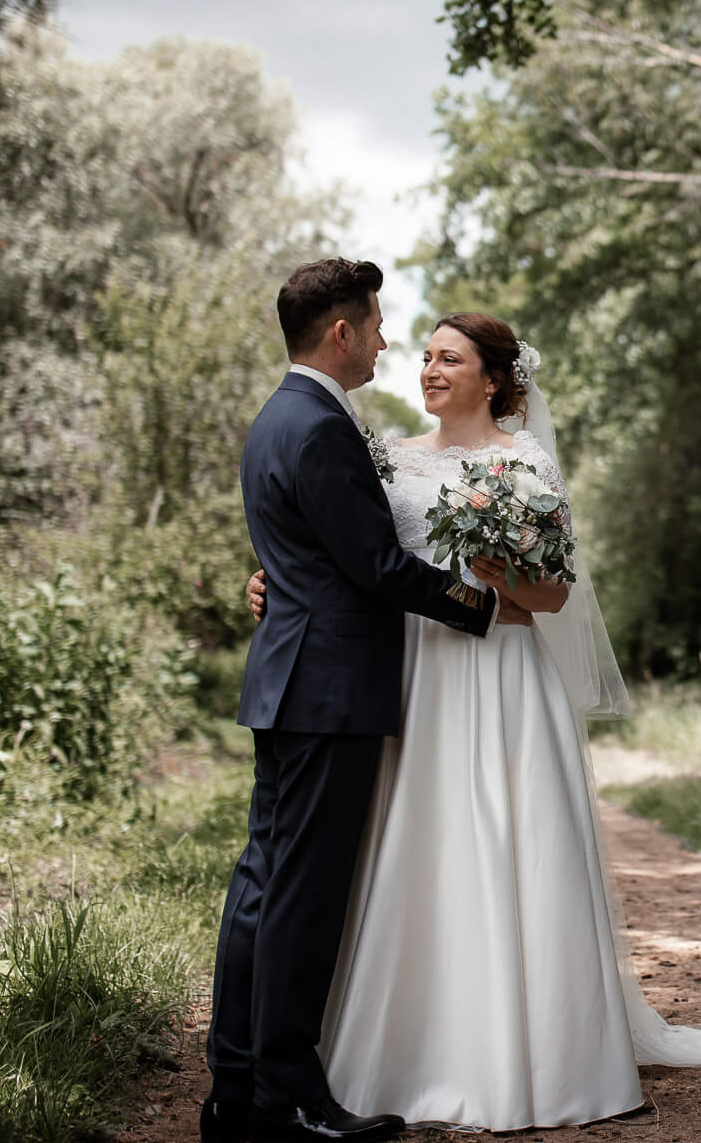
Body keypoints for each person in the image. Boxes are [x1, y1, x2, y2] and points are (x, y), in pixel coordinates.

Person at [243, 311, 701, 1133]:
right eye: (425, 356)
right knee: (411, 849)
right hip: (410, 678)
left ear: (495, 378)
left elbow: (553, 597)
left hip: (502, 679)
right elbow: (346, 552)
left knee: (507, 847)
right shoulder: (389, 461)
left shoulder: (525, 464)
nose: (428, 370)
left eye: (448, 359)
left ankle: (518, 1054)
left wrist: (495, 577)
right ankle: (389, 1051)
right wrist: (272, 584)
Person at [205, 261, 498, 1143]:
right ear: (341, 332)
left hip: (292, 683)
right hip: (327, 690)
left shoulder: (276, 419)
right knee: (299, 896)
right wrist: (481, 604)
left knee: (263, 887)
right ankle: (287, 1100)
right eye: (375, 325)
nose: (383, 342)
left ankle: (237, 1092)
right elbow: (374, 564)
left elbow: (306, 554)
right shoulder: (322, 428)